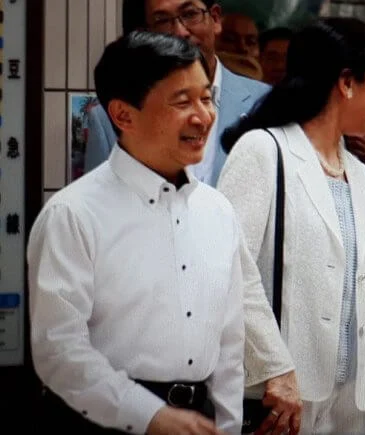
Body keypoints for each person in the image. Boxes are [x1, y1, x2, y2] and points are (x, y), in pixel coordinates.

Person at [28, 31, 245, 435]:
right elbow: (58, 349)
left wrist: (229, 426)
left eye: (206, 97)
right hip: (99, 420)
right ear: (123, 115)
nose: (203, 116)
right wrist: (149, 415)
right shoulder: (72, 214)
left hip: (200, 420)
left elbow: (230, 342)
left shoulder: (219, 212)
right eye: (182, 102)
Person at [218, 18, 365, 435]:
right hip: (278, 398)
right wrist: (274, 367)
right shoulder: (264, 150)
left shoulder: (357, 173)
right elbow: (230, 268)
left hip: (347, 402)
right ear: (346, 82)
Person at [84, 0, 270, 188]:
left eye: (190, 14)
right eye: (163, 20)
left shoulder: (265, 104)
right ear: (146, 33)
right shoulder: (113, 116)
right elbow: (97, 203)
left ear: (214, 18)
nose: (180, 32)